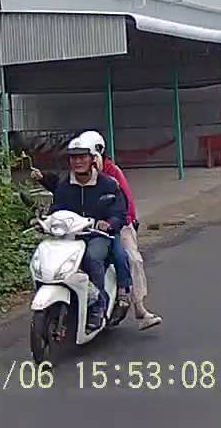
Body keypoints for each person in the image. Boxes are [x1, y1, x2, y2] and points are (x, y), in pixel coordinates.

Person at [32, 136, 128, 332]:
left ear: (92, 159)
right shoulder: (65, 185)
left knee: (93, 257)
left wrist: (109, 223)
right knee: (47, 256)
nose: (77, 161)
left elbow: (119, 212)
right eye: (73, 158)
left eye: (82, 157)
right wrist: (46, 223)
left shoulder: (108, 184)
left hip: (97, 236)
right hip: (70, 237)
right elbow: (57, 209)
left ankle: (98, 306)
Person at [75, 130, 162, 331]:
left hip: (116, 225)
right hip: (86, 226)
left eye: (86, 156)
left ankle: (139, 307)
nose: (81, 161)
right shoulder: (76, 176)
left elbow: (125, 202)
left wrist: (120, 222)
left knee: (131, 259)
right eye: (77, 157)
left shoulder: (111, 175)